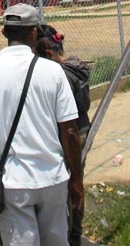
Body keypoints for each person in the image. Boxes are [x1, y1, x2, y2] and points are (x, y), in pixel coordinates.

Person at [0, 3, 84, 245]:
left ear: (5, 33)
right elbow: (70, 131)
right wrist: (77, 178)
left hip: (13, 182)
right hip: (53, 177)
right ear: (33, 33)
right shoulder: (53, 71)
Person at [35, 24, 91, 246]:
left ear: (48, 54)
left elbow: (63, 119)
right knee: (75, 184)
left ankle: (70, 236)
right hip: (81, 130)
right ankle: (73, 234)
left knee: (67, 189)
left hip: (68, 137)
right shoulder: (77, 67)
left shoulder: (61, 76)